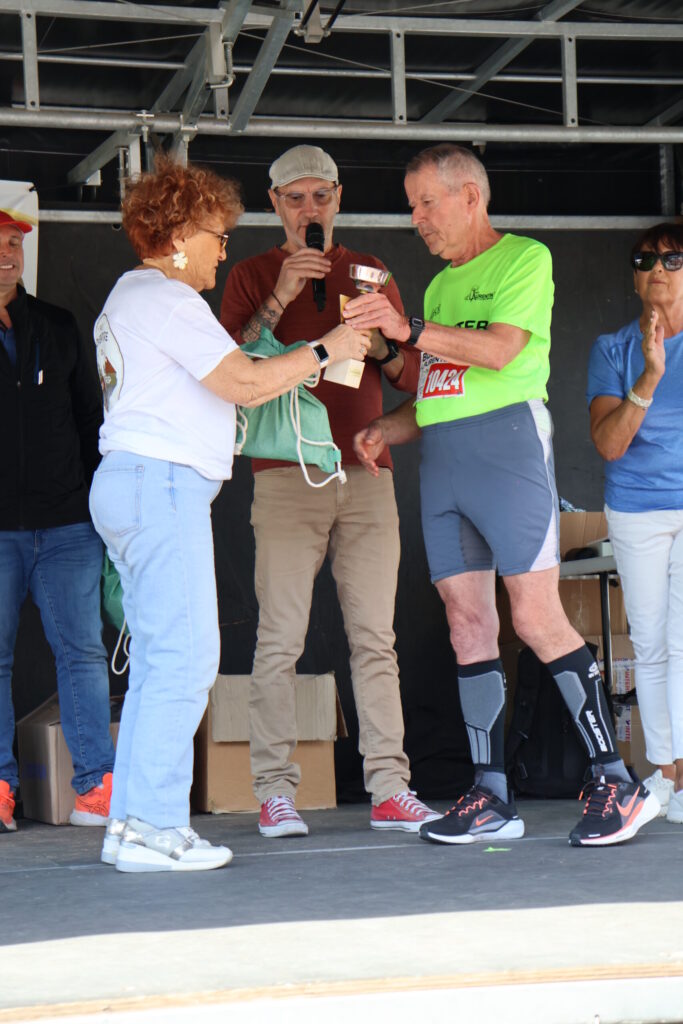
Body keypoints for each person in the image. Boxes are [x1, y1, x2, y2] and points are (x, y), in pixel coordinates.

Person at [344, 143, 661, 848]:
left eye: (427, 202)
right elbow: (438, 389)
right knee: (466, 624)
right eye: (411, 205)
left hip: (508, 449)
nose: (417, 218)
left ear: (470, 197)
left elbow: (498, 352)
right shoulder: (437, 287)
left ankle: (616, 780)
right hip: (445, 462)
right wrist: (385, 428)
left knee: (535, 615)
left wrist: (406, 328)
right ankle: (489, 794)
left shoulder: (524, 257)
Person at [90, 157, 368, 873]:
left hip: (135, 483)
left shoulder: (132, 295)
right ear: (179, 234)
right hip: (161, 484)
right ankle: (155, 826)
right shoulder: (167, 299)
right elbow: (243, 381)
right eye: (216, 235)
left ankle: (131, 827)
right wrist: (326, 349)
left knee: (160, 663)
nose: (223, 250)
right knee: (185, 660)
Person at [220, 144, 440, 838]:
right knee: (279, 639)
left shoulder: (372, 270)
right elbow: (227, 366)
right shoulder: (251, 273)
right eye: (295, 198)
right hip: (286, 475)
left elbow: (413, 374)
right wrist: (282, 293)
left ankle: (390, 787)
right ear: (274, 204)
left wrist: (381, 346)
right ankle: (273, 791)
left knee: (376, 638)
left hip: (367, 474)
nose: (308, 209)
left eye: (320, 196)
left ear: (338, 198)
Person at [0, 208, 115, 834]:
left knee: (82, 654)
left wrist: (99, 504)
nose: (7, 255)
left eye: (13, 243)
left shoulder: (58, 324)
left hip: (68, 524)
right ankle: (0, 789)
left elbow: (91, 421)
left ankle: (97, 787)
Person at [587, 222, 683, 824]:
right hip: (635, 507)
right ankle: (665, 775)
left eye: (672, 260)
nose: (657, 270)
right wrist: (649, 374)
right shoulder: (613, 348)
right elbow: (609, 444)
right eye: (645, 260)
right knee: (648, 644)